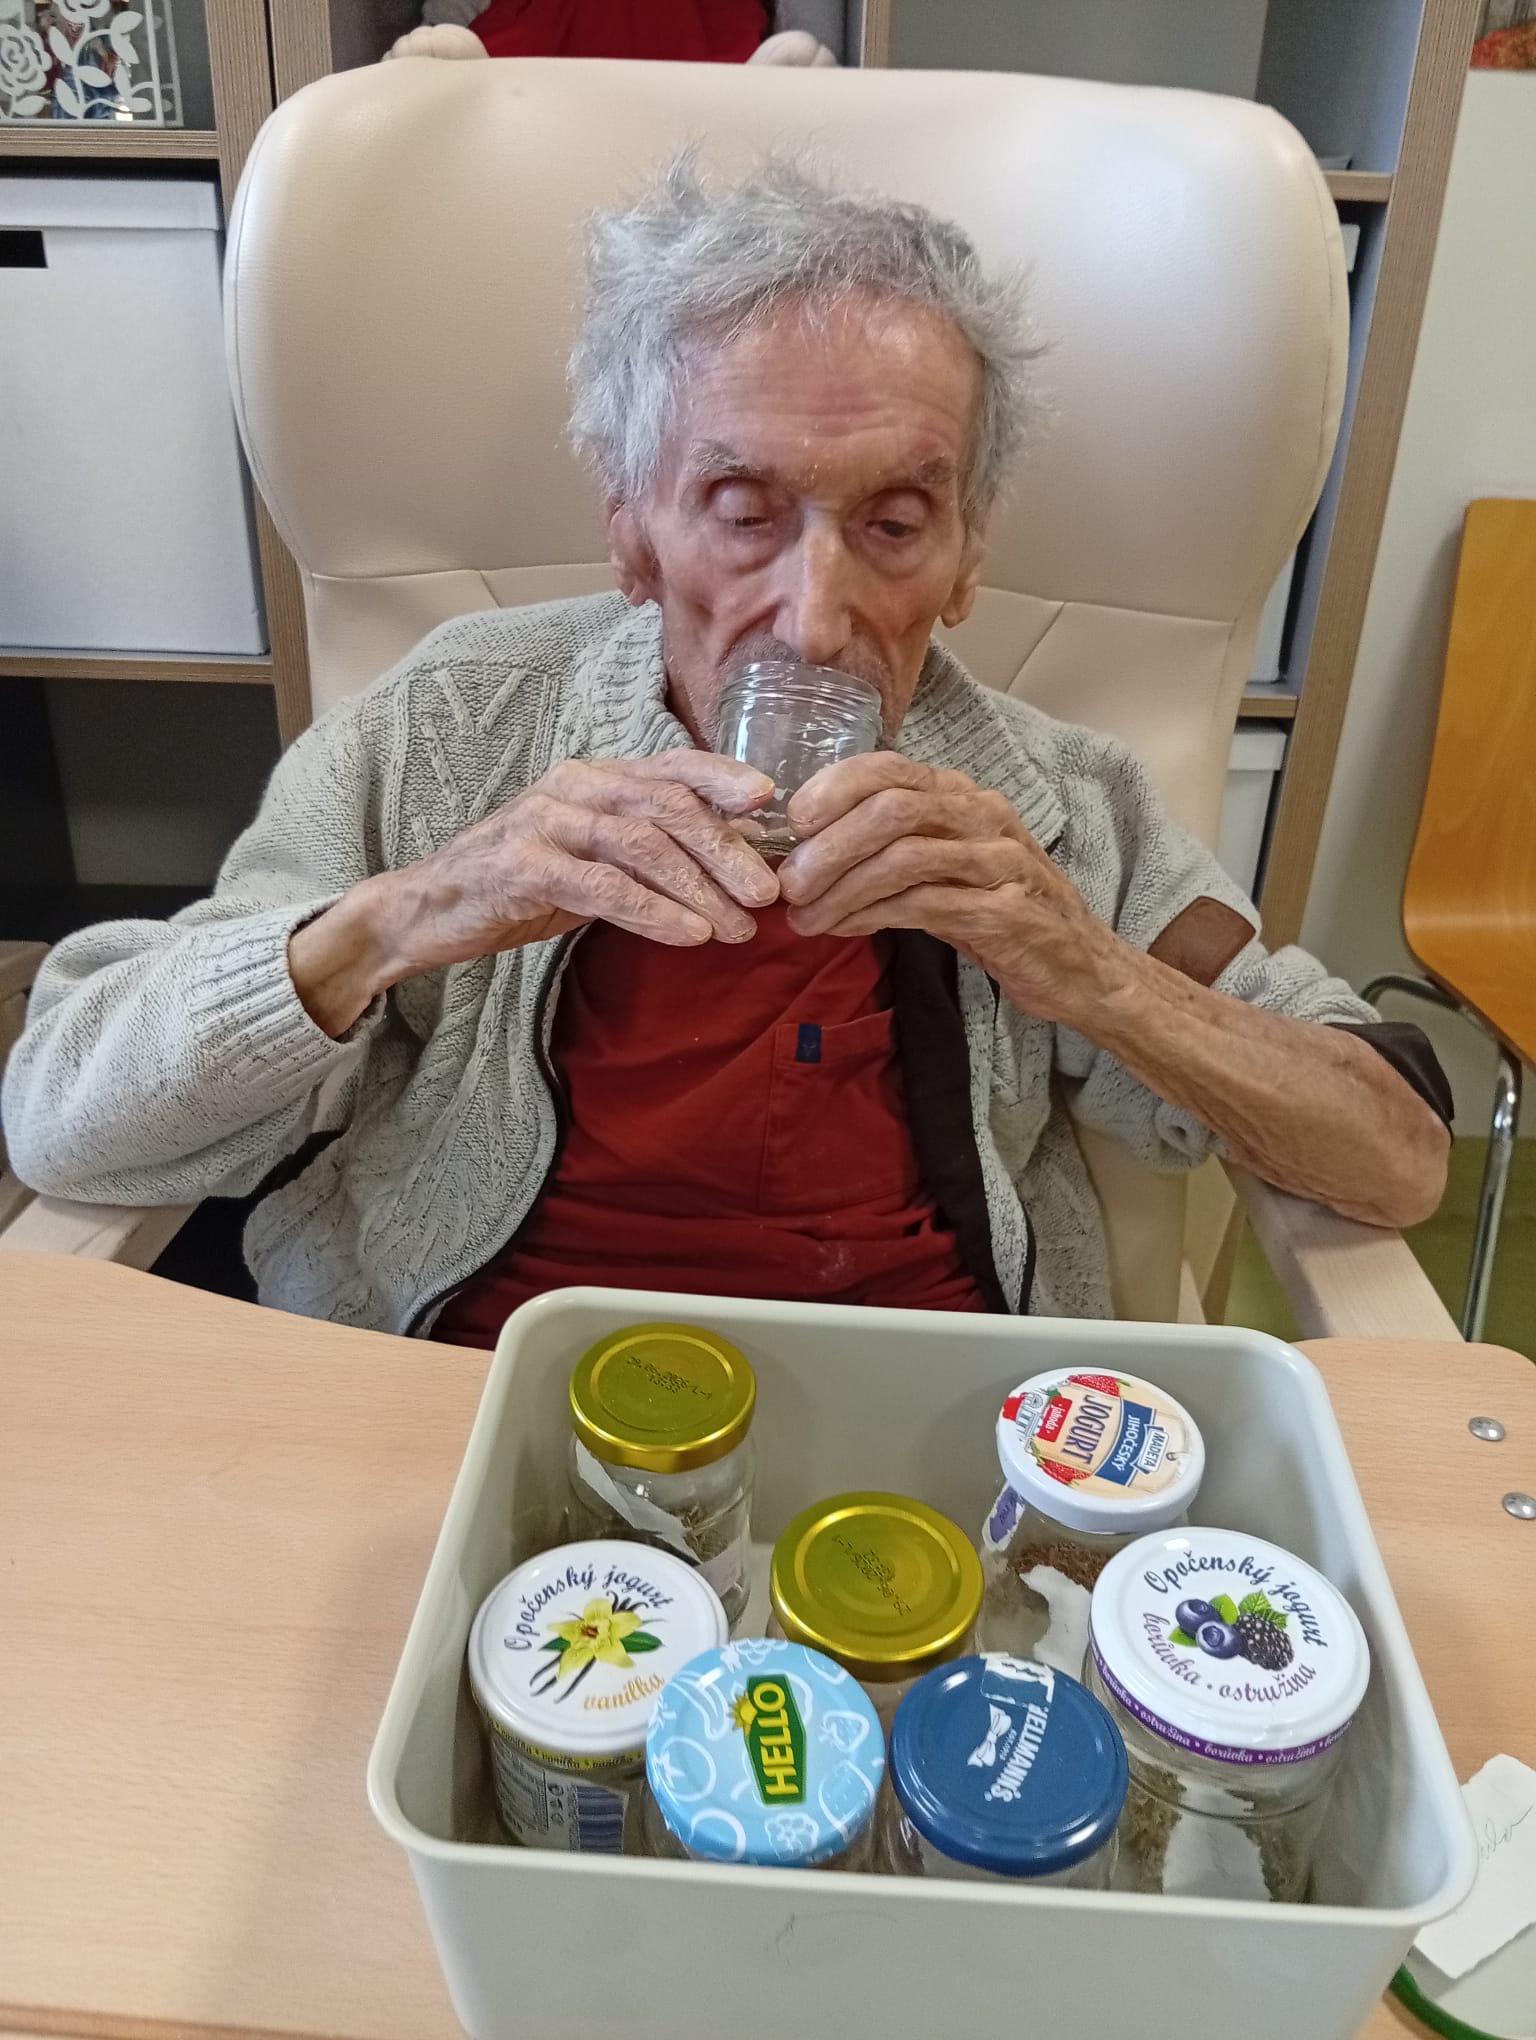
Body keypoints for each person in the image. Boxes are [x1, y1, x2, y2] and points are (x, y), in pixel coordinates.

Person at [2, 160, 1452, 1342]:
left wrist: (1096, 974)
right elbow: (64, 1115)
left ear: (965, 558)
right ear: (633, 533)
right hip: (467, 1391)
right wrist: (419, 910)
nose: (814, 619)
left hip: (921, 1410)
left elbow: (1394, 1156)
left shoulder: (1060, 808)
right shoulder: (454, 722)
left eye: (894, 523)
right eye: (743, 513)